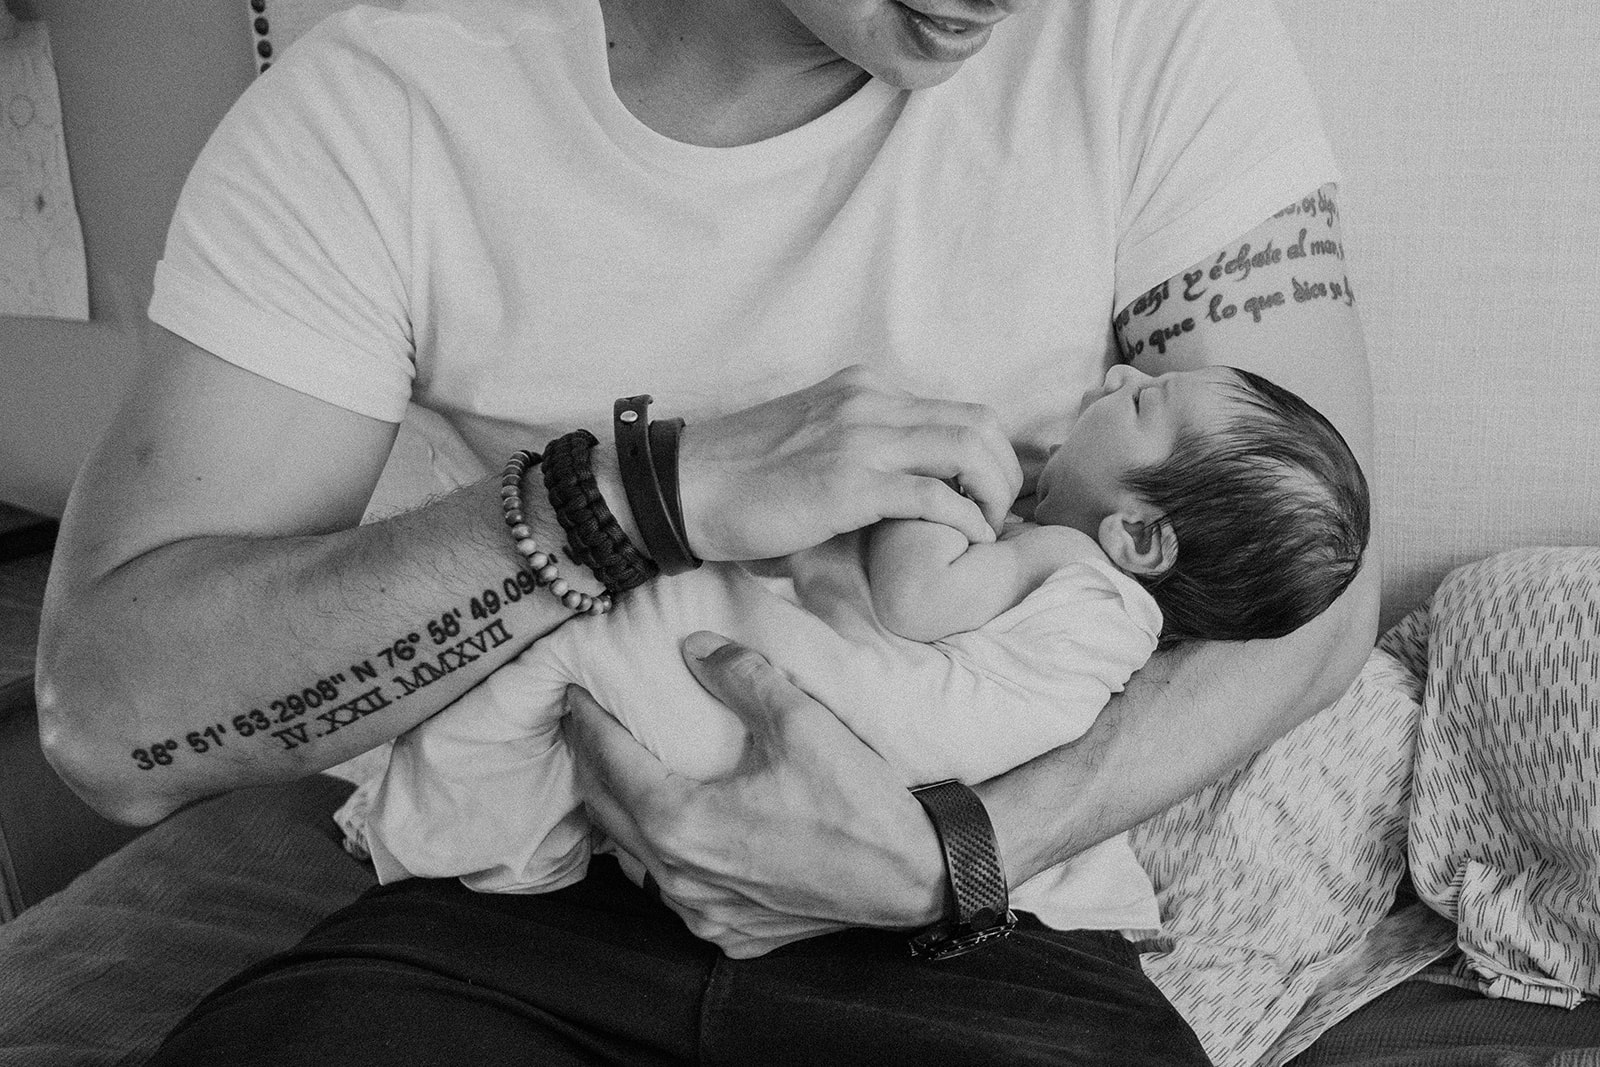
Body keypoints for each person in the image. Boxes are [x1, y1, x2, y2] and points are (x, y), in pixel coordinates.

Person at [33, 0, 1378, 1062]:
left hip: (974, 923)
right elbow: (113, 718)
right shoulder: (381, 114)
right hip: (525, 896)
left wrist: (952, 854)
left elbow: (1319, 591)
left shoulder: (1152, 38)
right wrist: (632, 499)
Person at [346, 362, 1368, 945]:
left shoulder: (1064, 560)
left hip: (883, 748)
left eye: (1144, 402)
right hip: (896, 835)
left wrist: (925, 487)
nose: (1118, 371)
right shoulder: (1105, 609)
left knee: (615, 645)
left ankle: (442, 821)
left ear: (1139, 539)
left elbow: (915, 603)